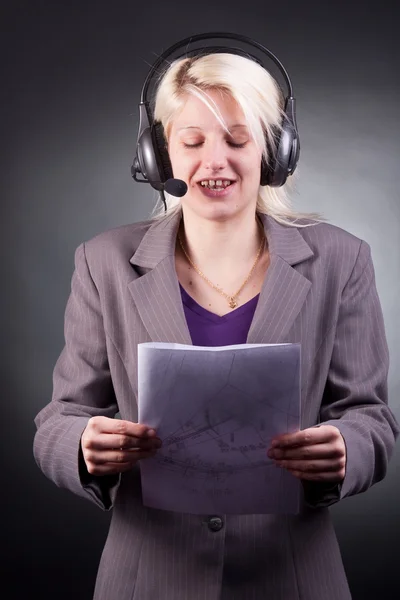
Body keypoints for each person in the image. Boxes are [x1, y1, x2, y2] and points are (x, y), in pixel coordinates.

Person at [33, 34, 399, 600]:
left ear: (273, 153)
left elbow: (372, 417)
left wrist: (347, 448)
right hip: (147, 580)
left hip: (294, 578)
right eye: (193, 140)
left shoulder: (342, 259)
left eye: (237, 139)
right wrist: (82, 443)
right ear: (159, 156)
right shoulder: (102, 261)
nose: (215, 161)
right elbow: (60, 417)